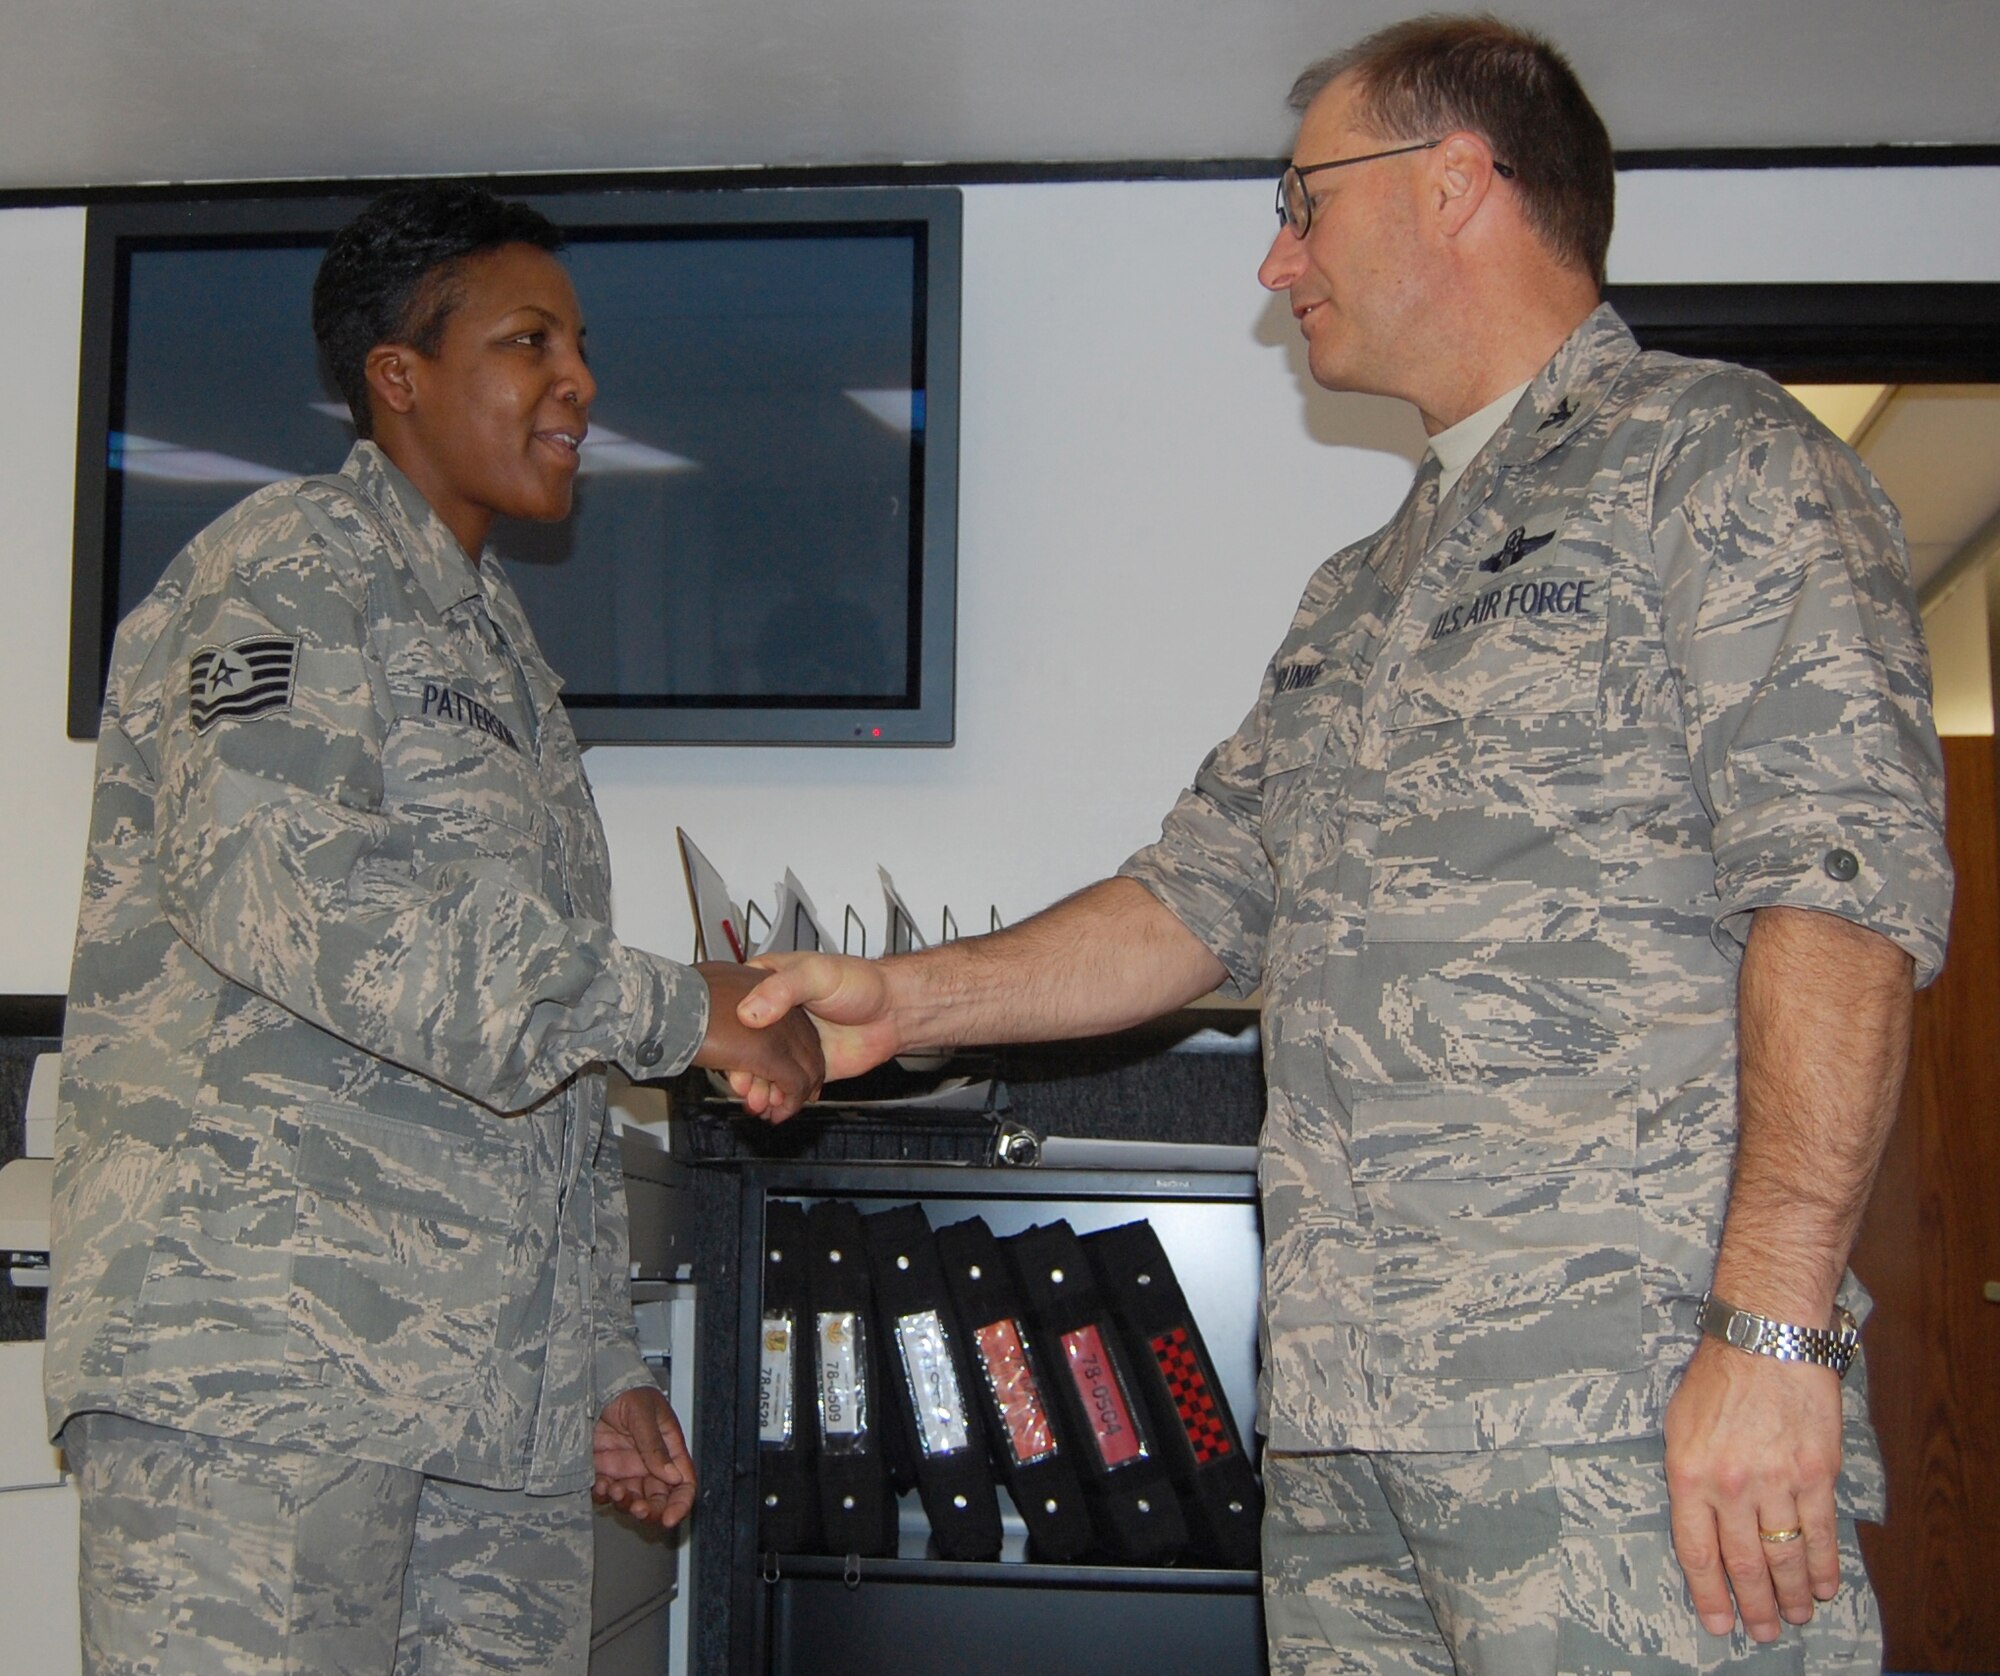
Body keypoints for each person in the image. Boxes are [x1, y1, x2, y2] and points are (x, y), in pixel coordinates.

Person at [735, 17, 1952, 1672]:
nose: (1276, 253)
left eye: (1305, 201)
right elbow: (1195, 902)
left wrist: (1774, 1330)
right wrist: (906, 1001)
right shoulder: (1368, 590)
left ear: (1456, 185)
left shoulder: (1720, 465)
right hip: (1347, 1427)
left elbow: (1840, 902)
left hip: (1620, 1411)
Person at [45, 181, 823, 1675]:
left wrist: (596, 1364)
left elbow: (531, 1069)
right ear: (397, 376)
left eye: (579, 344)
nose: (580, 380)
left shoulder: (499, 652)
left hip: (481, 1407)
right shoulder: (287, 569)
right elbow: (287, 893)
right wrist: (689, 1009)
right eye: (532, 341)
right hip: (268, 1370)